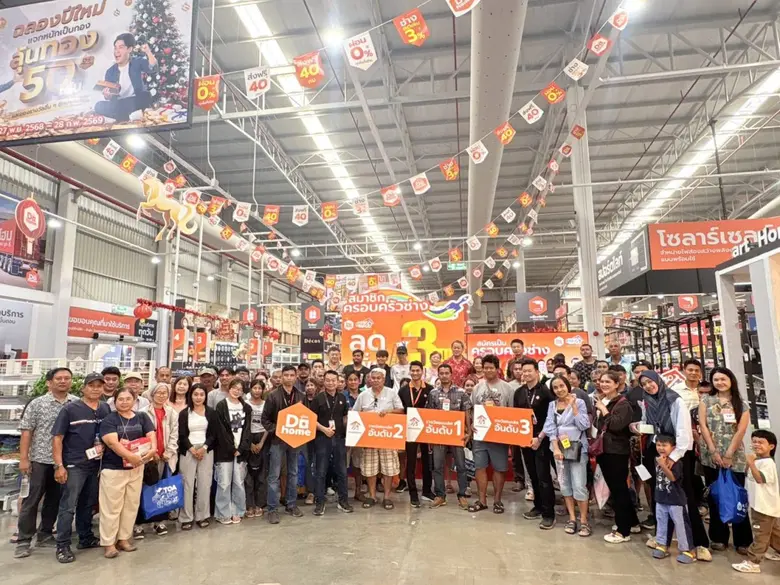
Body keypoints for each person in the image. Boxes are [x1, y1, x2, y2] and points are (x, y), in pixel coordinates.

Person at [638, 370, 710, 560]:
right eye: (643, 384)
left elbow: (683, 430)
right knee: (660, 496)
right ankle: (663, 540)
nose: (647, 386)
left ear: (658, 381)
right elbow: (650, 425)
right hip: (658, 450)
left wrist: (674, 456)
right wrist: (638, 427)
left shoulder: (674, 399)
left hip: (678, 453)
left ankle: (698, 543)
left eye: (649, 382)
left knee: (684, 498)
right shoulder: (647, 401)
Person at [15, 367, 78, 559]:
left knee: (55, 499)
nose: (63, 381)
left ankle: (45, 533)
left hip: (63, 461)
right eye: (58, 378)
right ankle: (24, 540)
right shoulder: (37, 404)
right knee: (32, 500)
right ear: (50, 382)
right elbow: (27, 431)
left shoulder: (75, 403)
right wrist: (24, 458)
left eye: (67, 378)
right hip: (40, 459)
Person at [51, 372, 110, 563]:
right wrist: (59, 465)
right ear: (83, 388)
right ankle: (62, 545)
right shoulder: (70, 409)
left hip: (95, 464)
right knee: (68, 506)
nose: (95, 389)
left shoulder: (105, 408)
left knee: (87, 503)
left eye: (99, 386)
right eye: (91, 385)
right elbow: (57, 438)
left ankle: (85, 538)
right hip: (74, 464)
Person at [698, 367, 752, 554]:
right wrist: (713, 451)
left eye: (723, 379)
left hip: (734, 456)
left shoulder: (741, 404)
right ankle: (718, 537)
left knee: (737, 496)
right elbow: (703, 426)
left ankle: (743, 540)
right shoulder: (706, 400)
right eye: (716, 379)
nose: (719, 382)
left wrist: (729, 453)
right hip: (711, 456)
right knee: (715, 497)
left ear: (731, 380)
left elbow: (741, 430)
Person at [99, 387, 156, 558]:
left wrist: (152, 450)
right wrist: (130, 456)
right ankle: (109, 543)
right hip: (114, 469)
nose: (124, 402)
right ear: (115, 402)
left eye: (128, 398)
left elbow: (151, 435)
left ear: (134, 399)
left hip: (137, 467)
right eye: (120, 399)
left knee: (130, 505)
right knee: (111, 507)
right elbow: (112, 443)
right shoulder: (110, 419)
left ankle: (124, 538)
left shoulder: (142, 417)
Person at [594, 371, 640, 544]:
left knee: (619, 489)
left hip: (616, 451)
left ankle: (623, 530)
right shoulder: (602, 400)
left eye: (608, 382)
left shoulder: (623, 403)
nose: (604, 384)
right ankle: (632, 521)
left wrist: (604, 411)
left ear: (616, 384)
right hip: (603, 450)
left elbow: (616, 425)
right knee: (617, 489)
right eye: (602, 381)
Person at [543, 374, 591, 536]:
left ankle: (584, 520)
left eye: (561, 386)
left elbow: (584, 424)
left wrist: (574, 408)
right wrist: (555, 448)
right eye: (555, 387)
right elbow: (550, 428)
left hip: (578, 449)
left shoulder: (580, 402)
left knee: (579, 485)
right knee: (565, 485)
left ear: (568, 385)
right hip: (560, 451)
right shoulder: (552, 405)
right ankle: (572, 518)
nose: (559, 390)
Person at [468, 354, 515, 514]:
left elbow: (512, 413)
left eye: (491, 367)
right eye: (485, 367)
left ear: (497, 369)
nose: (487, 370)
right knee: (480, 467)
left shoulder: (507, 388)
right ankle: (482, 500)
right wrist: (473, 423)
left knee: (499, 468)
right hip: (480, 435)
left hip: (499, 435)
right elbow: (472, 409)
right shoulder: (477, 388)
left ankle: (497, 500)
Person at [352, 368, 404, 510]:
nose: (375, 380)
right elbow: (355, 413)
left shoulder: (392, 393)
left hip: (387, 437)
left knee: (388, 468)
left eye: (378, 378)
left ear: (384, 379)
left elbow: (401, 410)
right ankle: (372, 495)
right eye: (373, 378)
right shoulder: (363, 395)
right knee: (370, 468)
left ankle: (387, 497)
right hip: (369, 438)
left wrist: (389, 411)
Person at [261, 365, 306, 524]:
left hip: (295, 440)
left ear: (295, 377)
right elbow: (265, 420)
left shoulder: (301, 395)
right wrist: (277, 430)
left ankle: (291, 504)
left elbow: (305, 417)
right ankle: (272, 509)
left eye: (291, 375)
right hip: (277, 441)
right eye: (285, 375)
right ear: (281, 377)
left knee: (293, 473)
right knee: (274, 476)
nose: (288, 378)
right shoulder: (273, 396)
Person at [733, 430, 780, 573]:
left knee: (761, 535)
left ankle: (753, 562)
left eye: (761, 442)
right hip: (762, 505)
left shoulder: (768, 463)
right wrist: (750, 464)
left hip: (764, 507)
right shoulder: (758, 461)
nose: (756, 444)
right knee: (774, 532)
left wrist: (751, 463)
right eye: (754, 441)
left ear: (771, 446)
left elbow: (760, 479)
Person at [517, 358, 556, 528]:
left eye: (529, 371)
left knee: (543, 476)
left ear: (537, 372)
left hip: (542, 440)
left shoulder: (546, 392)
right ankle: (538, 506)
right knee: (532, 475)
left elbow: (551, 418)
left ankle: (549, 514)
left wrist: (539, 437)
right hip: (525, 440)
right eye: (523, 371)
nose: (526, 374)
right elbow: (515, 417)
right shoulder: (519, 392)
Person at [137, 383, 179, 537]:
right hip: (148, 457)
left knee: (162, 490)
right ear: (152, 394)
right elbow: (141, 435)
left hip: (165, 457)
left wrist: (169, 451)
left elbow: (175, 434)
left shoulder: (172, 412)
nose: (161, 395)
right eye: (158, 392)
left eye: (164, 393)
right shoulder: (142, 413)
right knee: (144, 489)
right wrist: (151, 452)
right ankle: (139, 524)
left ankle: (159, 522)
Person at [428, 363, 472, 509]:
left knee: (460, 465)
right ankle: (440, 495)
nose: (444, 375)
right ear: (438, 375)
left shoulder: (461, 392)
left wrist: (468, 431)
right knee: (438, 466)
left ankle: (463, 495)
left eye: (447, 373)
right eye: (442, 373)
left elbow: (466, 412)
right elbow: (430, 415)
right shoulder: (433, 393)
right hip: (439, 435)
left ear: (451, 374)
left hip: (457, 435)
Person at [312, 370, 353, 515]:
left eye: (333, 380)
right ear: (324, 381)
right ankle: (320, 502)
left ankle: (343, 501)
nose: (330, 383)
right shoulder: (318, 399)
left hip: (339, 438)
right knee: (321, 471)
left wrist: (353, 422)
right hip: (322, 438)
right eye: (328, 380)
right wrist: (324, 430)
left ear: (338, 382)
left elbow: (344, 418)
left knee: (342, 471)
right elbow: (312, 419)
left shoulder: (342, 398)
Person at [177, 384, 217, 530]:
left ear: (205, 396)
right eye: (195, 394)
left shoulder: (211, 413)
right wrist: (192, 449)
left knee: (204, 483)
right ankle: (186, 517)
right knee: (187, 484)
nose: (198, 397)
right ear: (191, 395)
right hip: (188, 450)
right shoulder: (184, 413)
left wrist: (204, 447)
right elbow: (181, 435)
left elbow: (214, 434)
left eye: (201, 394)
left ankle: (202, 515)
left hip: (206, 450)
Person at [651, 434, 696, 564]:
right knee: (661, 522)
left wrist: (663, 465)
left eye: (665, 445)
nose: (661, 448)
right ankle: (662, 544)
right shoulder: (657, 459)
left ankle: (687, 549)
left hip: (676, 500)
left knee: (681, 524)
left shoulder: (676, 462)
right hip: (661, 498)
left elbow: (672, 478)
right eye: (658, 445)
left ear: (673, 447)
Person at [213, 379, 252, 525]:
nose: (237, 391)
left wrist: (241, 449)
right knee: (223, 483)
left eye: (240, 389)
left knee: (239, 482)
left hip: (241, 452)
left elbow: (247, 430)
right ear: (229, 389)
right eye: (234, 388)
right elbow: (220, 431)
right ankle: (223, 513)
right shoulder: (222, 406)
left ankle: (238, 511)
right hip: (224, 452)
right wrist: (231, 449)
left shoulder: (246, 408)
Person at [94, 33, 157, 122]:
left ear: (129, 49)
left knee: (145, 96)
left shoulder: (136, 62)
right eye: (115, 48)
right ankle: (130, 115)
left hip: (136, 100)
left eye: (121, 47)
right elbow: (110, 97)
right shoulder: (110, 71)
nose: (117, 51)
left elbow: (153, 67)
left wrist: (148, 52)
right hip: (120, 104)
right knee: (99, 105)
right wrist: (107, 95)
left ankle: (122, 116)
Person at [396, 360, 434, 506]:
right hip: (409, 429)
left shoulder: (430, 389)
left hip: (426, 429)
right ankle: (413, 494)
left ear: (422, 372)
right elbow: (400, 409)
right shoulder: (403, 390)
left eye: (418, 370)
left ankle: (426, 491)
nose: (415, 373)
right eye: (413, 370)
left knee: (427, 461)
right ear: (409, 372)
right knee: (410, 461)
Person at [245, 379, 269, 519]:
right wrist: (250, 444)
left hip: (263, 439)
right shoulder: (245, 405)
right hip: (248, 438)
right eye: (254, 388)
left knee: (261, 475)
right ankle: (249, 505)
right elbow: (243, 425)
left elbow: (268, 424)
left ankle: (260, 504)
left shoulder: (266, 404)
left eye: (260, 388)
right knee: (248, 477)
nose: (257, 390)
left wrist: (261, 443)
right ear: (250, 389)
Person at [507, 361, 529, 495]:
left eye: (521, 369)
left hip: (529, 425)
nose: (519, 371)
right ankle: (519, 479)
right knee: (516, 454)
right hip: (514, 424)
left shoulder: (535, 386)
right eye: (516, 369)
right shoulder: (509, 386)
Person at [343, 371, 364, 500]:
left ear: (359, 381)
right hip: (345, 435)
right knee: (343, 464)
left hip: (360, 435)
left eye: (355, 379)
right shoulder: (342, 396)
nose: (353, 382)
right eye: (350, 379)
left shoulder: (365, 395)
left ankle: (358, 491)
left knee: (358, 464)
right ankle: (343, 492)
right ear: (346, 381)